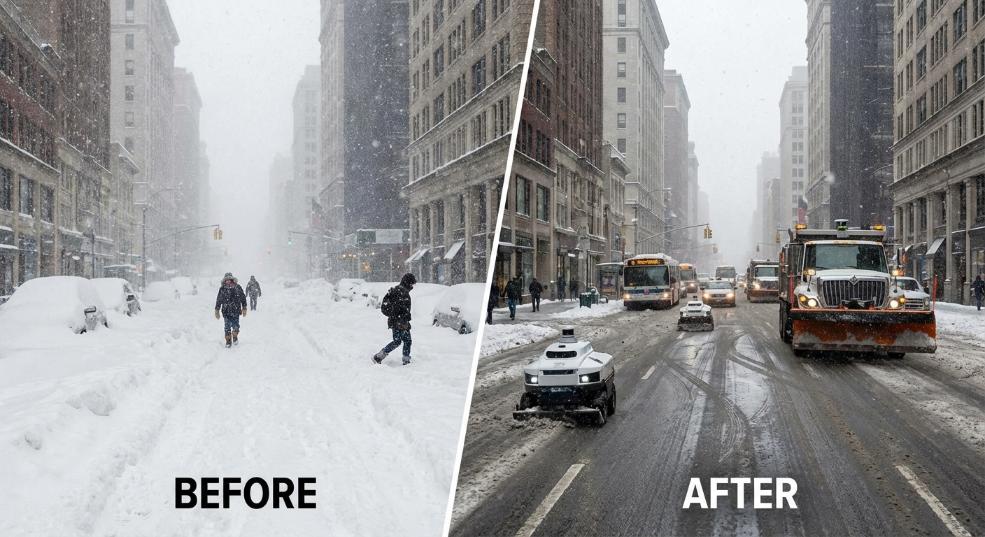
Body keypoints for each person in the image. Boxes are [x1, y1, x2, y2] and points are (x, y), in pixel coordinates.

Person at [374, 273, 416, 365]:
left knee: (406, 341)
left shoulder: (400, 291)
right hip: (398, 322)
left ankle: (405, 359)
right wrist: (399, 317)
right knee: (399, 341)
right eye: (412, 284)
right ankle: (378, 357)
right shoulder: (400, 292)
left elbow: (403, 309)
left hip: (400, 321)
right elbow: (399, 308)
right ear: (407, 283)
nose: (412, 286)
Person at [214, 272, 247, 348]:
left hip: (236, 310)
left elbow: (243, 297)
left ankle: (235, 336)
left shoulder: (237, 287)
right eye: (226, 280)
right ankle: (228, 341)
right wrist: (217, 310)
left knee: (236, 327)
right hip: (226, 311)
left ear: (232, 279)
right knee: (227, 327)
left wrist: (244, 307)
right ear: (224, 281)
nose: (228, 281)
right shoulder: (222, 289)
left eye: (229, 279)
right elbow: (219, 299)